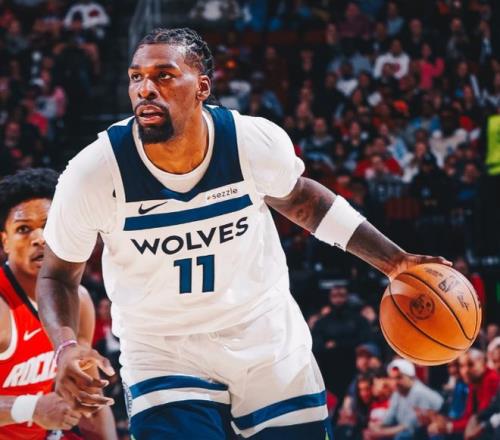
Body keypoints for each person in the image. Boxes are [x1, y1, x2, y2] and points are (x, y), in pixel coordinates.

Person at [36, 27, 450, 439]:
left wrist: (395, 261)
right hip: (163, 350)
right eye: (136, 77)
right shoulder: (93, 173)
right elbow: (57, 275)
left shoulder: (250, 141)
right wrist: (66, 348)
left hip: (265, 337)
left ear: (202, 87)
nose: (145, 88)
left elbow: (304, 201)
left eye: (164, 75)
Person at [0, 168, 117, 439]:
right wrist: (31, 408)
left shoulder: (79, 301)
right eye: (23, 229)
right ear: (5, 242)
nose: (39, 238)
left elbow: (89, 401)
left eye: (48, 224)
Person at [427, 349, 500, 437]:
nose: (465, 371)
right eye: (461, 366)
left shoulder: (491, 378)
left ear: (483, 362)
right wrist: (445, 422)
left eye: (470, 365)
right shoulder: (473, 381)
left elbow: (480, 417)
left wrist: (449, 427)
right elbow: (468, 415)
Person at [367, 358, 443, 439]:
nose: (395, 382)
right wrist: (375, 426)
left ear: (411, 376)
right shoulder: (398, 393)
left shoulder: (420, 392)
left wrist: (381, 433)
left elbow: (409, 427)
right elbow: (388, 418)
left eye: (399, 378)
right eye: (392, 378)